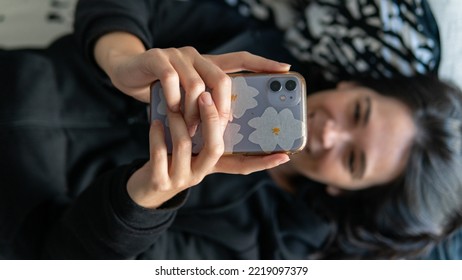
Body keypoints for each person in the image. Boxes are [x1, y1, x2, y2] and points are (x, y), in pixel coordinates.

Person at [0, 0, 461, 259]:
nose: (328, 134)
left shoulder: (263, 249)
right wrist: (121, 60)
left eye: (353, 160)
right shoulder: (254, 52)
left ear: (345, 191)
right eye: (358, 112)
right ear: (354, 84)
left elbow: (62, 260)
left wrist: (144, 199)